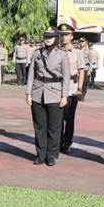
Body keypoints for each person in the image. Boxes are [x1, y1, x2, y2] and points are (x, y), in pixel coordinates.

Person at [26, 27, 69, 166]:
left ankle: (52, 155)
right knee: (39, 126)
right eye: (46, 37)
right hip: (38, 92)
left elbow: (66, 77)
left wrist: (64, 96)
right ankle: (40, 154)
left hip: (55, 93)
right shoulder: (37, 53)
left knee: (54, 128)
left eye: (51, 37)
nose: (48, 39)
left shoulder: (62, 54)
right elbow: (31, 74)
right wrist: (28, 93)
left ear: (56, 38)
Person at [58, 24, 86, 154]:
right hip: (57, 88)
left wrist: (80, 88)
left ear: (71, 36)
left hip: (71, 88)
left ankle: (67, 142)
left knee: (69, 118)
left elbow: (81, 70)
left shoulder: (77, 52)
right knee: (57, 118)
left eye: (66, 35)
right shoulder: (55, 51)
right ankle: (57, 142)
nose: (63, 37)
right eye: (61, 35)